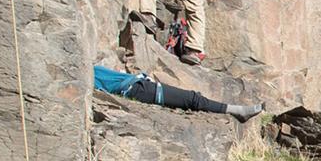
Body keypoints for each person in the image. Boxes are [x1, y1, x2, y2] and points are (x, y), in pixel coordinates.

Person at [94, 65, 263, 121]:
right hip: (137, 89)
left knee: (192, 98)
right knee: (193, 99)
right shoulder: (88, 74)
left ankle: (237, 111)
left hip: (140, 85)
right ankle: (239, 112)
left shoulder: (88, 68)